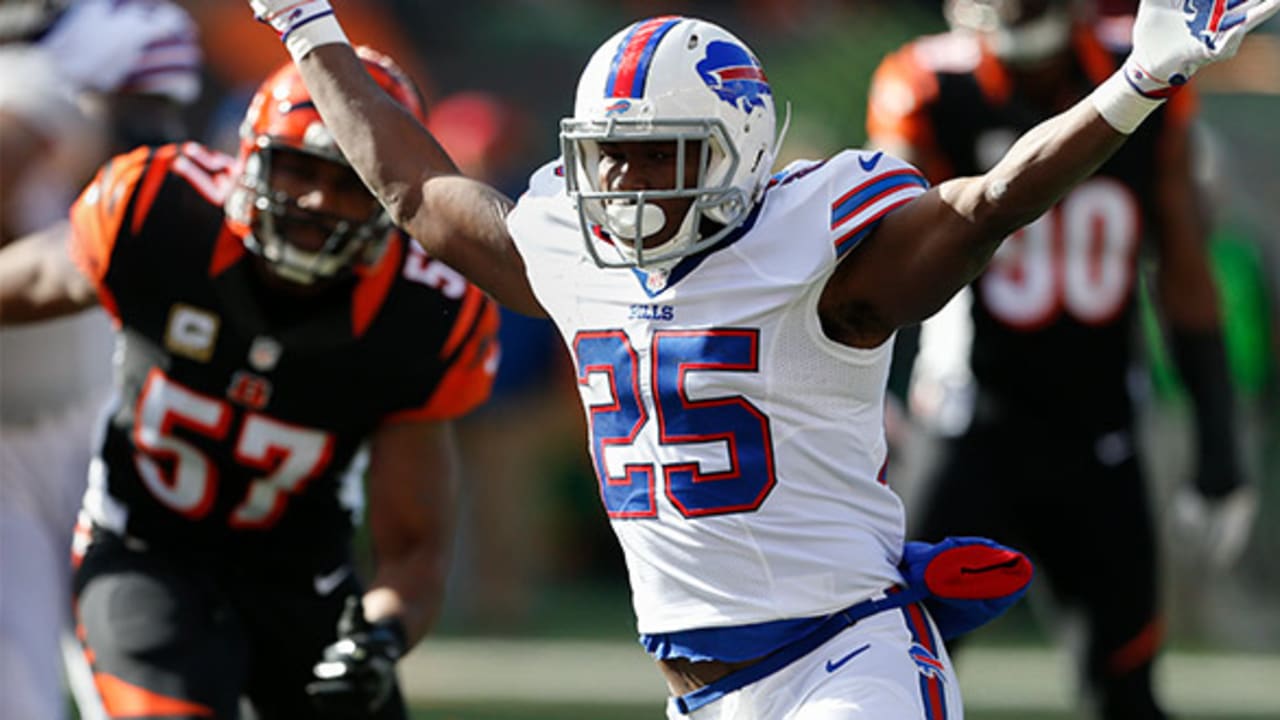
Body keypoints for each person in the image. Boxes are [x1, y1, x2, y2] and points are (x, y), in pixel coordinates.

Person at [245, 0, 1276, 716]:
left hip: (846, 667)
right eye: (609, 153)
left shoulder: (815, 249)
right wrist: (305, 24)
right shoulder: (568, 245)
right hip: (701, 691)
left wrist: (1135, 83)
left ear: (736, 152)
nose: (627, 183)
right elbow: (416, 192)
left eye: (660, 156)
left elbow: (982, 206)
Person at [0, 47, 499, 719]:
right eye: (297, 167)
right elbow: (29, 280)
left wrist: (379, 636)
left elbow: (413, 549)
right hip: (148, 554)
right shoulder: (160, 212)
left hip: (304, 584)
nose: (319, 201)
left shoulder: (419, 312)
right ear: (248, 158)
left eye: (349, 179)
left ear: (391, 191)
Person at [865, 1, 1259, 716]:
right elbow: (884, 259)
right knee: (883, 673)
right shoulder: (927, 83)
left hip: (1097, 428)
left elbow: (1182, 267)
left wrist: (1218, 437)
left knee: (1126, 688)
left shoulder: (1143, 60)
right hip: (965, 426)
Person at [0, 2, 201, 718]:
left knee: (137, 671)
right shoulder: (45, 77)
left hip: (93, 408)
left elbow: (144, 199)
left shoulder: (93, 47)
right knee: (16, 692)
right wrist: (43, 89)